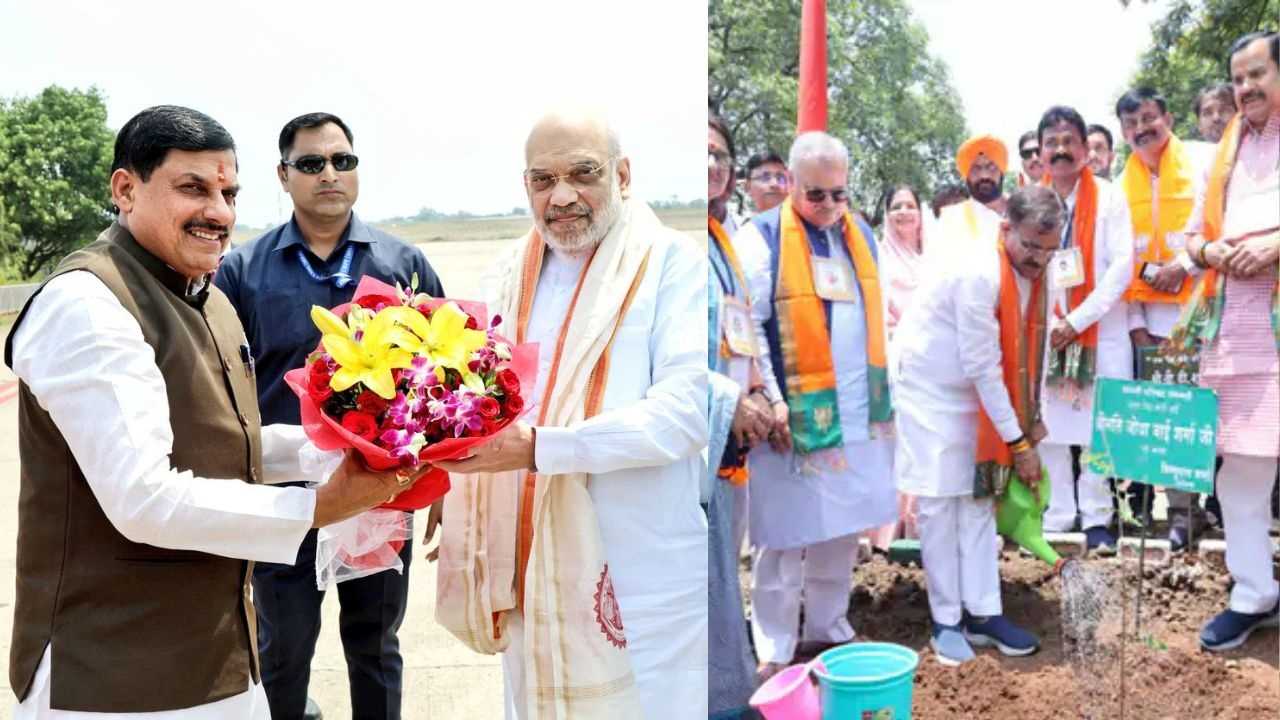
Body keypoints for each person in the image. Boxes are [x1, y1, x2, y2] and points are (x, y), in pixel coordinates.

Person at [4, 105, 425, 718]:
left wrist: (350, 448)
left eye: (229, 193)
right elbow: (144, 498)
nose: (220, 212)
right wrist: (319, 506)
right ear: (125, 189)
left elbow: (226, 443)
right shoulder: (88, 305)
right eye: (193, 188)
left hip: (220, 661)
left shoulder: (205, 295)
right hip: (112, 678)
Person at [433, 108, 708, 719]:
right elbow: (473, 405)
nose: (562, 197)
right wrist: (451, 492)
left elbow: (687, 413)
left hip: (643, 577)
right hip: (530, 570)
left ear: (622, 174)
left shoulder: (672, 262)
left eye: (583, 174)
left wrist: (541, 448)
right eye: (543, 180)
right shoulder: (507, 275)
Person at [214, 112, 444, 720]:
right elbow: (220, 385)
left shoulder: (403, 265)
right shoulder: (242, 272)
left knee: (375, 645)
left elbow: (445, 386)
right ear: (283, 175)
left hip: (381, 493)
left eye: (343, 161)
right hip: (285, 499)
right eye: (312, 163)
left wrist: (441, 486)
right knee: (282, 651)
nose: (330, 174)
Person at [733, 131, 897, 679]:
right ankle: (776, 646)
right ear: (791, 184)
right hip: (793, 414)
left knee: (840, 531)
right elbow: (750, 326)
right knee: (784, 537)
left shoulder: (860, 236)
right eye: (816, 194)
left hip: (853, 413)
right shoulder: (760, 238)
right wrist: (774, 399)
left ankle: (828, 628)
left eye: (839, 193)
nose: (828, 205)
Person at [894, 186, 1063, 665]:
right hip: (930, 389)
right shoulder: (977, 272)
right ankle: (946, 620)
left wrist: (1033, 417)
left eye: (1049, 250)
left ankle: (983, 613)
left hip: (982, 395)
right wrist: (1018, 442)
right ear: (1006, 228)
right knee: (940, 503)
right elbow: (982, 365)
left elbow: (1036, 349)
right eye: (1030, 246)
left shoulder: (1041, 271)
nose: (1038, 259)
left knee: (980, 501)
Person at [1173, 31, 1280, 652]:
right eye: (1238, 78)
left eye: (1257, 74)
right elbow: (1191, 237)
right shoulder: (1226, 151)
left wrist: (1275, 246)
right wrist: (1213, 251)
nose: (1245, 88)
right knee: (1240, 471)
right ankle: (1254, 594)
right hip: (1238, 334)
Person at [1035, 106, 1135, 552]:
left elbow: (1122, 267)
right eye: (1051, 143)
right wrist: (1052, 322)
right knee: (1050, 427)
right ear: (1040, 151)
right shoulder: (1032, 201)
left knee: (1101, 427)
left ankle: (1097, 516)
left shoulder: (1110, 197)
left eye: (1068, 141)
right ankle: (1058, 512)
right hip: (1047, 332)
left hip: (1099, 330)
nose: (1060, 150)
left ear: (1084, 149)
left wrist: (1077, 320)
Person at [1113, 88, 1209, 550]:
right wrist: (1135, 323)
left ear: (1168, 117)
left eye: (1148, 118)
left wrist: (1185, 266)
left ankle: (1227, 509)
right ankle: (1182, 512)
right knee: (1172, 422)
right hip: (1152, 325)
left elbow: (1218, 227)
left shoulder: (1203, 161)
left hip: (1206, 313)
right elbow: (1121, 262)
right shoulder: (1120, 185)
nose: (1141, 129)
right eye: (1131, 124)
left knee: (1219, 419)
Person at [707, 114, 768, 720]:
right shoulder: (681, 243)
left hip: (731, 440)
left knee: (726, 579)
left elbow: (743, 332)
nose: (710, 166)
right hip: (698, 441)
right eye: (699, 154)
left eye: (720, 156)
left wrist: (760, 394)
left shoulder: (723, 240)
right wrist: (730, 401)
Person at [866, 184, 929, 549]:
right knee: (893, 438)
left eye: (910, 205)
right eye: (896, 206)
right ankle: (886, 529)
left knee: (922, 438)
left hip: (928, 358)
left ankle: (916, 522)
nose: (904, 212)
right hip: (892, 355)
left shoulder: (931, 258)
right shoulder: (878, 257)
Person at [939, 134, 1010, 245]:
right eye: (975, 168)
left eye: (991, 167)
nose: (984, 175)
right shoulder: (951, 219)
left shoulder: (1023, 210)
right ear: (966, 175)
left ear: (1002, 171)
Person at [743, 150, 790, 217]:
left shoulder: (803, 221)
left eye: (780, 178)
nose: (775, 184)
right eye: (765, 178)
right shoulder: (745, 224)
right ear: (748, 187)